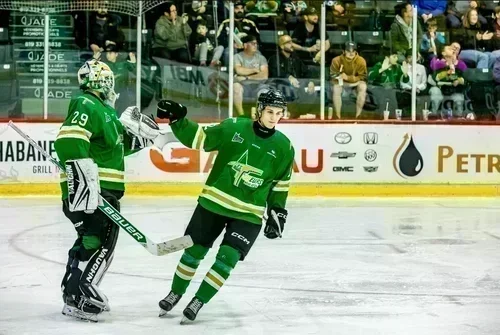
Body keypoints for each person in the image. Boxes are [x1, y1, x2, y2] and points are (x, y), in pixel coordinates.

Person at [154, 88, 295, 323]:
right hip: (214, 203)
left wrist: (277, 210)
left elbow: (280, 184)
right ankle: (175, 293)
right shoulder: (234, 127)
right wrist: (179, 120)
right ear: (260, 110)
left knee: (227, 258)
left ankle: (198, 300)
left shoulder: (284, 147)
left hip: (249, 213)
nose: (274, 117)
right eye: (270, 111)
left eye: (279, 113)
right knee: (193, 252)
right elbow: (201, 138)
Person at [54, 59, 160, 322]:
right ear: (102, 81)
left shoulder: (106, 111)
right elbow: (68, 140)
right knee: (103, 242)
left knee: (90, 240)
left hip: (96, 189)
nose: (113, 86)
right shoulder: (87, 103)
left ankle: (72, 294)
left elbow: (112, 149)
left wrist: (138, 140)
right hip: (92, 189)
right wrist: (83, 182)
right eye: (109, 80)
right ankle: (82, 293)